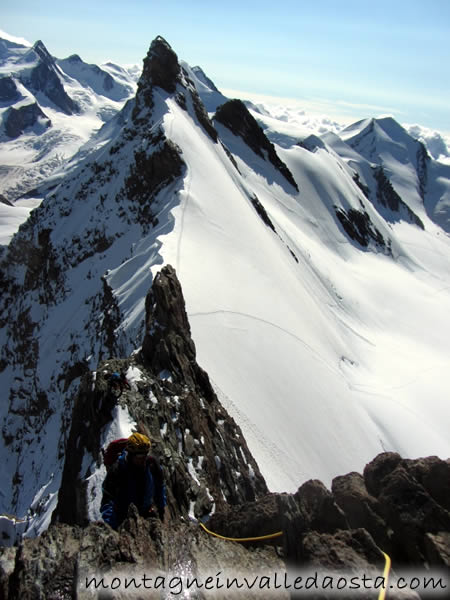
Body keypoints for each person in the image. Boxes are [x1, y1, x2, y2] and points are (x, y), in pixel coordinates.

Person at [100, 433, 166, 529]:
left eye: (145, 454)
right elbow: (107, 500)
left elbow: (160, 487)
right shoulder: (117, 470)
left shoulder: (151, 464)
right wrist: (113, 526)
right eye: (140, 456)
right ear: (131, 454)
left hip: (146, 513)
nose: (143, 459)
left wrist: (161, 509)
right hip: (122, 518)